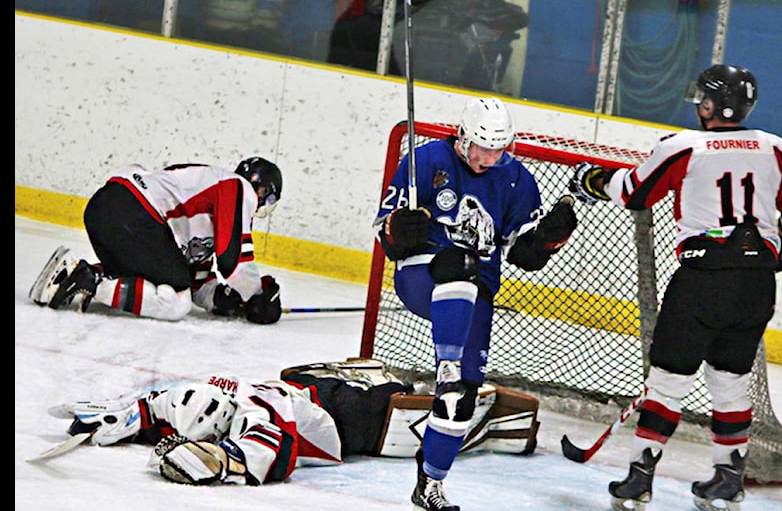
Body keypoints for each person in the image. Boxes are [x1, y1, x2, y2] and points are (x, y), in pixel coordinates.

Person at [569, 64, 782, 511]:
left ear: (708, 105)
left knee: (668, 380)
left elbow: (634, 193)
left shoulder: (683, 145)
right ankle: (727, 482)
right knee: (730, 381)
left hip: (702, 280)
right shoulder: (775, 148)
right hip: (755, 285)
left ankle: (639, 479)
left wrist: (594, 180)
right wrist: (779, 241)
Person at [373, 96, 577, 511]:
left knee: (461, 396)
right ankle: (445, 365)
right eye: (480, 148)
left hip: (475, 288)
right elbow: (386, 230)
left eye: (497, 150)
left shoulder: (517, 179)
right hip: (422, 273)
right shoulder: (425, 160)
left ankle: (430, 486)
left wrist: (546, 239)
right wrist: (398, 232)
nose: (487, 159)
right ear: (461, 137)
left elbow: (523, 252)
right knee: (457, 264)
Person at [46, 359, 541, 486]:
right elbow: (156, 404)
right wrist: (116, 417)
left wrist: (219, 462)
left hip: (343, 419)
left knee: (400, 410)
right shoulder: (203, 393)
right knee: (361, 389)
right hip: (317, 393)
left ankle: (481, 417)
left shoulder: (256, 415)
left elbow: (269, 455)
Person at [29, 157, 284, 324]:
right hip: (132, 211)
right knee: (176, 305)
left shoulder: (207, 210)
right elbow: (233, 261)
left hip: (111, 213)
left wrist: (226, 299)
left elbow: (196, 283)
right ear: (262, 191)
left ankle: (72, 275)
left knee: (174, 286)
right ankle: (91, 282)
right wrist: (258, 295)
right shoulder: (237, 188)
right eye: (268, 199)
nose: (262, 205)